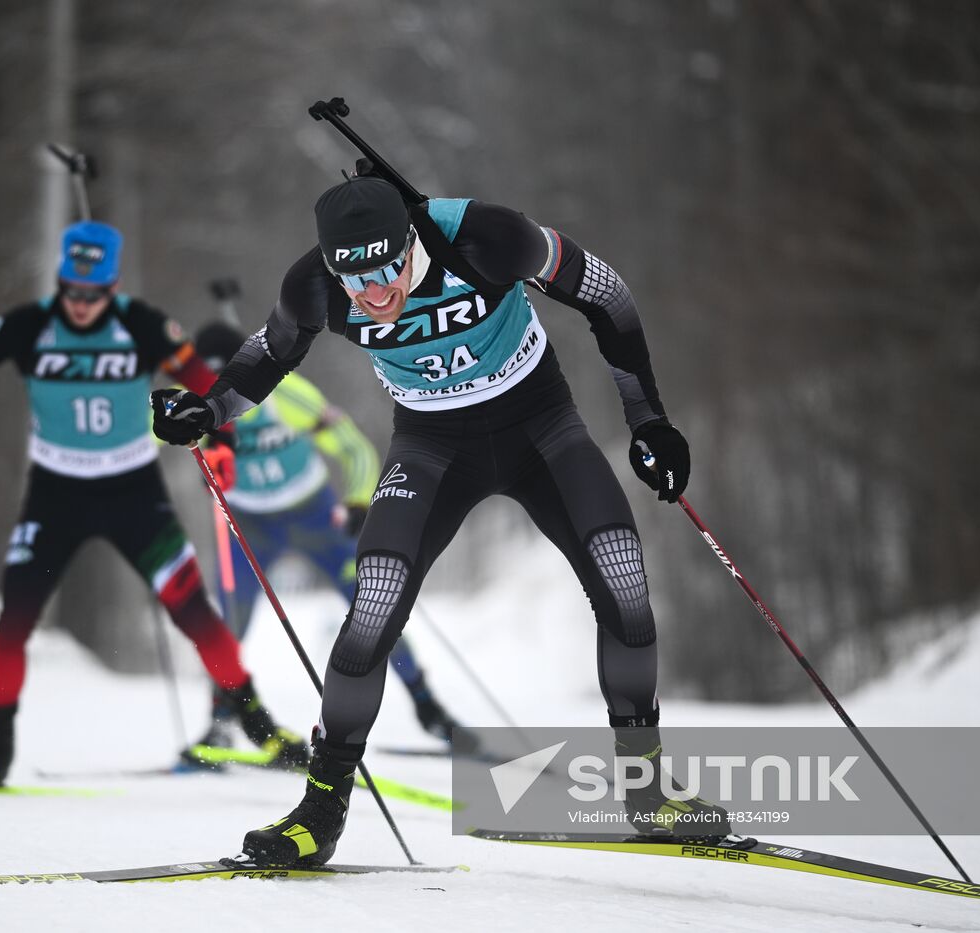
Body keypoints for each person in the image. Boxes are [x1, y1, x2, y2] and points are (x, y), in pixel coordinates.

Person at [152, 176, 728, 865]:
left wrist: (649, 420)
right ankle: (319, 812)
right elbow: (271, 352)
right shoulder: (314, 283)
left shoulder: (487, 237)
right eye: (353, 277)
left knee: (623, 578)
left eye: (385, 270)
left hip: (541, 429)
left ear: (408, 244)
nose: (372, 294)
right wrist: (208, 411)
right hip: (432, 448)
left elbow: (607, 294)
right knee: (373, 605)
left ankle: (648, 791)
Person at [0, 220, 306, 787]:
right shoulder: (29, 326)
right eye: (71, 292)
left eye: (93, 294)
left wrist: (223, 441)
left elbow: (204, 382)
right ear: (61, 283)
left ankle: (260, 727)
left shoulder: (141, 324)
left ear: (112, 286)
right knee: (13, 623)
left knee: (194, 612)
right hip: (56, 494)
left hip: (132, 492)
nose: (80, 305)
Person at [188, 321, 463, 753]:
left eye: (225, 381)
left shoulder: (286, 395)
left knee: (373, 602)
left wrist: (357, 502)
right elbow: (151, 429)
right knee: (229, 622)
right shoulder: (195, 404)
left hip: (310, 514)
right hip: (247, 524)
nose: (218, 393)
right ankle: (221, 721)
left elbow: (351, 446)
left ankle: (430, 709)